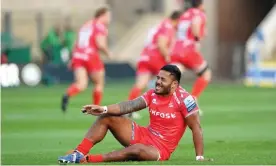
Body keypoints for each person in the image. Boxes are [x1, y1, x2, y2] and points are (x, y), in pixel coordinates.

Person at [58, 65, 212, 163]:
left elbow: (196, 127)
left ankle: (89, 160)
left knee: (137, 150)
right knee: (108, 117)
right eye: (157, 78)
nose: (157, 82)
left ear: (174, 85)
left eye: (162, 80)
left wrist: (199, 158)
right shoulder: (153, 94)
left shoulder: (186, 99)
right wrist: (103, 109)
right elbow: (130, 105)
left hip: (160, 149)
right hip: (144, 134)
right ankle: (78, 154)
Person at [127, 11, 181, 118]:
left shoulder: (160, 25)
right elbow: (161, 43)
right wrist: (167, 57)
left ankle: (129, 109)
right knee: (171, 80)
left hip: (145, 56)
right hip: (156, 57)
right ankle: (171, 109)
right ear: (178, 20)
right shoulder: (168, 26)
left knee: (140, 84)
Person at [61, 6, 112, 112]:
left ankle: (67, 94)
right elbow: (100, 43)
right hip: (91, 55)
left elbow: (77, 42)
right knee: (99, 83)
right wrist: (108, 53)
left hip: (78, 55)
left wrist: (73, 57)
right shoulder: (100, 26)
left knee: (81, 84)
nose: (109, 19)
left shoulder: (86, 25)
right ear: (103, 15)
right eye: (108, 16)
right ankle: (96, 108)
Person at [170, 0, 212, 114]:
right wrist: (197, 39)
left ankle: (166, 104)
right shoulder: (198, 13)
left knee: (173, 77)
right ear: (201, 4)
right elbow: (195, 25)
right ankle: (191, 102)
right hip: (189, 49)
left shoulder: (184, 14)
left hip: (176, 49)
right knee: (206, 74)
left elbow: (177, 28)